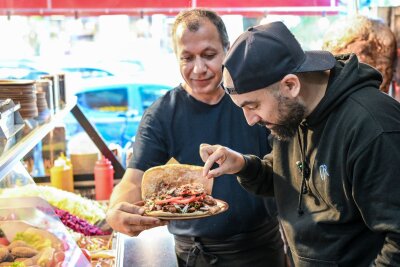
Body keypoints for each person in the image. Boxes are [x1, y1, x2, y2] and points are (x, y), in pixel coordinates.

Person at [200, 21, 400, 267]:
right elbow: (287, 179)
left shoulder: (374, 127)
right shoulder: (293, 113)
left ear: (291, 85)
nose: (250, 120)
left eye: (253, 105)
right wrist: (242, 165)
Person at [106, 9, 286, 267]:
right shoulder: (162, 114)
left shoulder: (254, 99)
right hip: (194, 255)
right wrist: (116, 211)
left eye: (209, 55)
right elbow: (134, 178)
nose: (199, 68)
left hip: (261, 249)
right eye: (187, 58)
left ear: (227, 49)